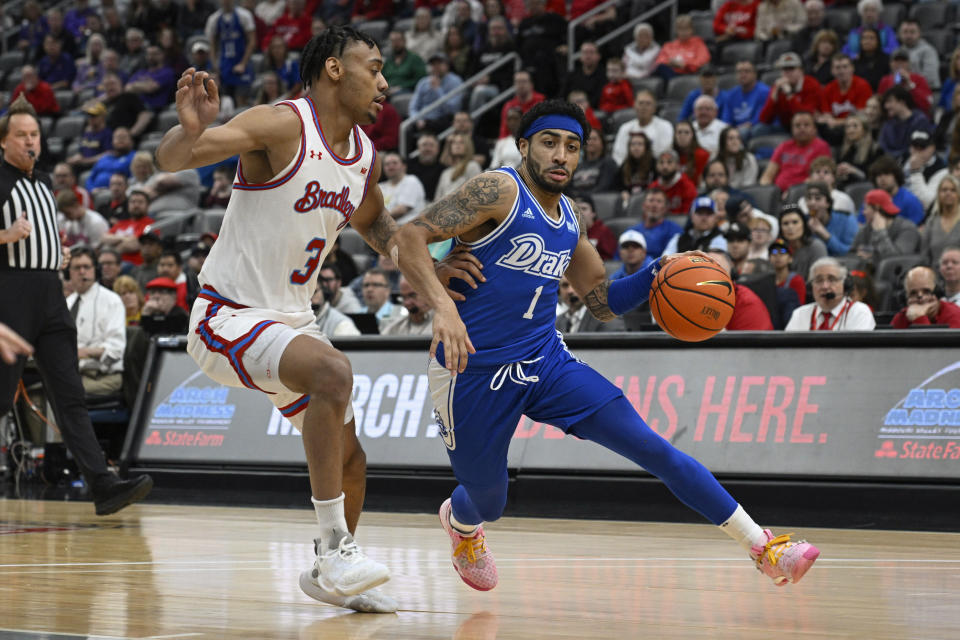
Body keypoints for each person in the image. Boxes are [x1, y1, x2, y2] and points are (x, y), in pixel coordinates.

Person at [391, 98, 819, 594]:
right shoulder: (497, 189)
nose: (561, 155)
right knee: (487, 502)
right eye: (550, 143)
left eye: (572, 147)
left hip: (545, 360)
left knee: (652, 446)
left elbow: (600, 301)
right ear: (524, 145)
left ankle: (764, 547)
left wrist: (657, 273)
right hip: (473, 369)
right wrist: (442, 301)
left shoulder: (570, 217)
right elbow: (408, 236)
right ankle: (462, 524)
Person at [154, 26, 403, 613]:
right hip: (228, 315)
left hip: (289, 322)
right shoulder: (282, 124)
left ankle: (330, 573)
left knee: (352, 459)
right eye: (374, 66)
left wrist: (428, 263)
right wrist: (189, 132)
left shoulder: (364, 153)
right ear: (336, 69)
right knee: (333, 373)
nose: (385, 82)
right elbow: (172, 159)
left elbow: (376, 224)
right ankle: (336, 548)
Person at [0, 96, 153, 515]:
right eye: (21, 135)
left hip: (51, 293)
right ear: (3, 142)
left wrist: (55, 254)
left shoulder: (44, 182)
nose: (31, 141)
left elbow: (42, 235)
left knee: (69, 394)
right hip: (10, 294)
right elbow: (14, 234)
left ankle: (102, 485)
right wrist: (6, 236)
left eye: (35, 134)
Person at [65, 247, 126, 395]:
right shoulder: (67, 302)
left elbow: (115, 350)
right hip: (73, 374)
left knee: (58, 394)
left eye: (86, 267)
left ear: (95, 270)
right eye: (77, 268)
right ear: (69, 273)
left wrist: (84, 352)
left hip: (102, 377)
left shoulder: (112, 301)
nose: (82, 272)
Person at [785, 257, 876, 330]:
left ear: (845, 284)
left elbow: (856, 352)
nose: (825, 286)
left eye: (832, 279)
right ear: (810, 287)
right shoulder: (800, 314)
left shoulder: (859, 312)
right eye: (819, 280)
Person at [759, 112, 831, 193]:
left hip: (805, 193)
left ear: (814, 129)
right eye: (797, 125)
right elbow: (768, 174)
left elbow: (819, 177)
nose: (802, 128)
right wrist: (766, 190)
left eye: (806, 125)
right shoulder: (783, 146)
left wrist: (793, 193)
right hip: (777, 194)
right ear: (792, 129)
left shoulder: (821, 147)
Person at [850, 189, 920, 271]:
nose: (863, 213)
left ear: (877, 208)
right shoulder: (866, 229)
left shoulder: (907, 229)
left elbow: (897, 262)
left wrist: (881, 232)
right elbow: (852, 253)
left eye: (866, 208)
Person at [704, 249, 774, 330]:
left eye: (719, 271)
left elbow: (751, 341)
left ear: (732, 275)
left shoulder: (746, 303)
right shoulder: (690, 296)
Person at [758, 53, 822, 135]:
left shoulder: (812, 84)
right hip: (785, 126)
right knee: (759, 129)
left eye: (791, 69)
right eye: (784, 69)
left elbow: (805, 118)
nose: (787, 73)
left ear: (801, 70)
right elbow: (764, 119)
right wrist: (773, 97)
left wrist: (789, 94)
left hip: (806, 127)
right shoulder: (778, 86)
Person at [816, 53, 872, 145]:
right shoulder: (828, 89)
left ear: (852, 68)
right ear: (832, 71)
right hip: (835, 132)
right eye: (837, 68)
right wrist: (833, 122)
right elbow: (827, 116)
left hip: (857, 130)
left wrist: (836, 122)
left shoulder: (862, 86)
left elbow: (862, 117)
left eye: (845, 67)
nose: (841, 71)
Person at [612, 89, 673, 165]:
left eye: (648, 103)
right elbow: (618, 155)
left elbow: (663, 153)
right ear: (634, 106)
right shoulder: (625, 128)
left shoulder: (665, 126)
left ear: (654, 108)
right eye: (640, 103)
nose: (644, 107)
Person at [891, 266, 960, 329]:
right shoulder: (900, 318)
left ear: (938, 293)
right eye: (913, 293)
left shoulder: (954, 314)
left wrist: (919, 318)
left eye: (926, 291)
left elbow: (931, 343)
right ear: (905, 297)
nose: (921, 298)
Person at [864, 155, 924, 226]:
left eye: (887, 173)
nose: (882, 178)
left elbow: (918, 230)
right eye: (878, 175)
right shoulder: (871, 199)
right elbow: (861, 225)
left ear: (896, 176)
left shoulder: (911, 201)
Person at [803, 182, 858, 257]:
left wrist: (826, 236)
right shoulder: (802, 222)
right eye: (809, 198)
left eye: (818, 198)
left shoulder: (847, 219)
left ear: (828, 203)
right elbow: (785, 250)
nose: (812, 203)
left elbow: (851, 253)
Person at [878, 85, 932, 159]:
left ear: (902, 102)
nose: (886, 106)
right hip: (889, 162)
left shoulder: (920, 121)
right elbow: (883, 146)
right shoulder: (888, 124)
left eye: (889, 101)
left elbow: (917, 146)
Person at [556, 275, 626, 332]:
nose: (570, 291)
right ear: (559, 290)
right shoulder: (556, 322)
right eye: (565, 285)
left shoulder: (607, 317)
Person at [627, 188, 683, 259]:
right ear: (644, 206)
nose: (654, 205)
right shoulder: (631, 232)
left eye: (659, 201)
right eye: (651, 200)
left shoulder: (674, 231)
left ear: (665, 208)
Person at [719, 60, 769, 140]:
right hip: (736, 129)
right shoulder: (731, 95)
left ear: (755, 74)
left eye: (747, 71)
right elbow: (726, 119)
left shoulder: (764, 92)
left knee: (743, 132)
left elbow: (759, 118)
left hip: (753, 128)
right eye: (739, 72)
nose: (742, 75)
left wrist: (737, 130)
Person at [779, 204, 826, 285]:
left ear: (804, 224)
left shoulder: (816, 247)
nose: (790, 227)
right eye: (785, 224)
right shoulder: (779, 248)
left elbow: (818, 280)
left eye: (795, 222)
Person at [663, 196, 728, 254]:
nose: (704, 218)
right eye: (700, 213)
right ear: (691, 216)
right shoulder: (678, 239)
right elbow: (664, 260)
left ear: (715, 218)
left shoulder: (721, 239)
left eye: (709, 213)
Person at [652, 14, 710, 79]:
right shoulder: (669, 45)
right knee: (661, 67)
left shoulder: (698, 43)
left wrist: (685, 65)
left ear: (692, 30)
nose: (683, 32)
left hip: (691, 74)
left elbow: (703, 60)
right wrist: (670, 63)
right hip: (672, 74)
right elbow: (660, 61)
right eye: (681, 29)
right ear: (676, 31)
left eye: (686, 28)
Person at [877, 49, 932, 117]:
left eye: (903, 61)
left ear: (909, 63)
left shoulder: (919, 79)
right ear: (890, 63)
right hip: (891, 118)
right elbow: (880, 104)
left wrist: (910, 84)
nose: (900, 64)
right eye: (896, 61)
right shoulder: (885, 80)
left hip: (915, 117)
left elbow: (926, 105)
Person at [920, 175, 960, 266]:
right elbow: (924, 255)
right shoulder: (931, 222)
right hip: (935, 275)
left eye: (953, 190)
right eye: (944, 190)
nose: (948, 193)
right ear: (938, 194)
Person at [902, 130, 947, 210]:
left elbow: (928, 202)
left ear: (933, 148)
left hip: (920, 211)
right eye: (915, 146)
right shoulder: (903, 158)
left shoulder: (941, 170)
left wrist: (915, 171)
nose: (918, 151)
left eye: (922, 147)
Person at [835, 114, 883, 188]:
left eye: (855, 126)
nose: (850, 130)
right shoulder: (844, 151)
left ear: (865, 129)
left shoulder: (875, 150)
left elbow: (875, 177)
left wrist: (854, 171)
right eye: (848, 127)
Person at [380, 152, 427, 224]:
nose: (391, 166)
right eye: (387, 164)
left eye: (394, 163)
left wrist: (376, 221)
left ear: (404, 166)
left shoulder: (411, 181)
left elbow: (401, 210)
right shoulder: (380, 187)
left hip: (409, 228)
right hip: (385, 228)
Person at [569, 128, 617, 198]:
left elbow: (603, 188)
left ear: (602, 143)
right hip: (576, 201)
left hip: (598, 202)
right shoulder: (577, 165)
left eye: (594, 139)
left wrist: (582, 197)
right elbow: (569, 188)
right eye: (588, 139)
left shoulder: (608, 162)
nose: (590, 142)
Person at [435, 133, 482, 201]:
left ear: (468, 146)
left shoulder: (472, 166)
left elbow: (477, 192)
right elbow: (437, 198)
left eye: (461, 142)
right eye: (454, 143)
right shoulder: (445, 173)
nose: (457, 145)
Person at [897, 20, 939, 91]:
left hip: (927, 90)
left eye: (912, 32)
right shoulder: (897, 52)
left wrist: (909, 83)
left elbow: (930, 78)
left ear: (919, 33)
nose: (908, 35)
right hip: (903, 90)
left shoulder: (928, 51)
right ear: (899, 34)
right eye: (905, 32)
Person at [576, 195, 616, 261]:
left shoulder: (603, 231)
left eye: (584, 209)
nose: (580, 213)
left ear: (593, 213)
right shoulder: (568, 232)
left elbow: (609, 260)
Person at [407, 132, 445, 201]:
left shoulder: (444, 170)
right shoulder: (407, 167)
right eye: (424, 145)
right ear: (418, 148)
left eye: (431, 145)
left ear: (438, 149)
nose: (428, 149)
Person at [769, 237, 806, 304]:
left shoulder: (797, 280)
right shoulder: (766, 280)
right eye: (774, 252)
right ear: (769, 258)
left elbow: (799, 305)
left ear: (790, 259)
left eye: (782, 252)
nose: (777, 255)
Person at [853, 28, 890, 93]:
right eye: (864, 38)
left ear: (878, 41)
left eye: (871, 38)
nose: (867, 41)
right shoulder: (855, 61)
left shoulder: (886, 60)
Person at [674, 121, 709, 185]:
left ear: (693, 136)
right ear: (674, 136)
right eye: (679, 132)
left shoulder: (702, 155)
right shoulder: (670, 155)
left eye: (687, 132)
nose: (682, 135)